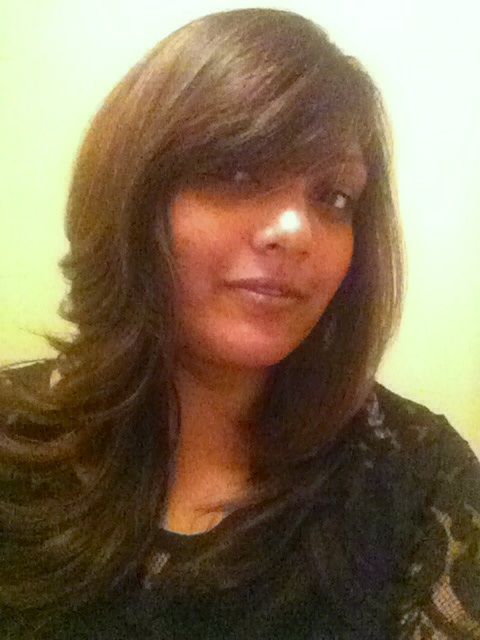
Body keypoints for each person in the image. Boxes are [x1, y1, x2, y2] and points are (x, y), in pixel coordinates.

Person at [0, 7, 479, 639]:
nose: (295, 230)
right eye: (237, 173)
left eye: (334, 197)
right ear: (134, 193)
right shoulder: (13, 436)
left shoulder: (423, 484)